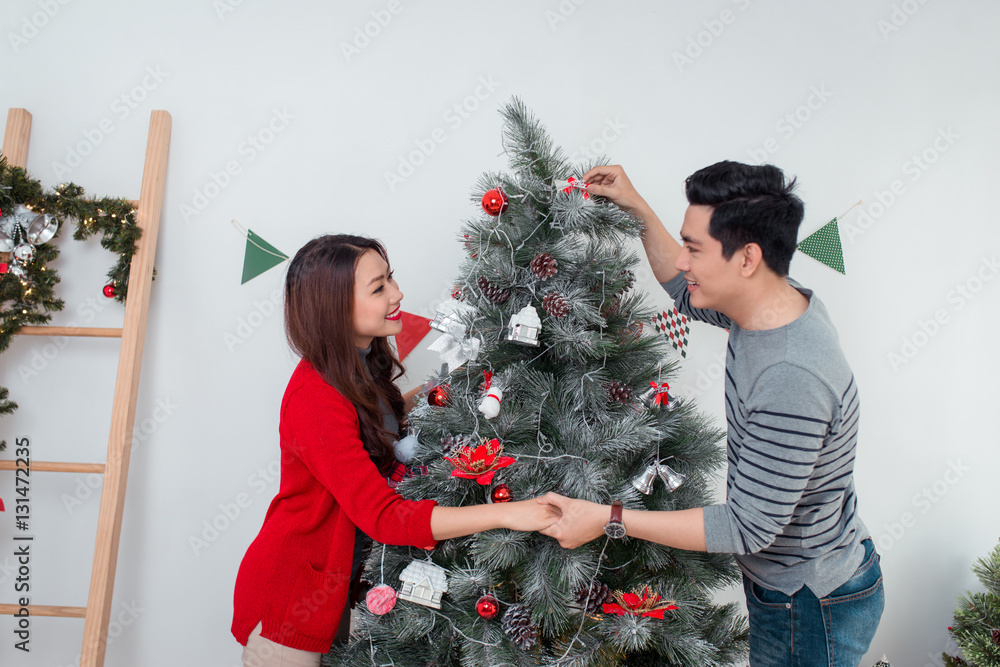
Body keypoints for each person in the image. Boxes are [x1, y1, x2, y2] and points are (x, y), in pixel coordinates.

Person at [539, 163, 884, 667]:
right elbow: (683, 288)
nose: (683, 261)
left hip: (810, 603)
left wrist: (609, 519)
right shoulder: (771, 307)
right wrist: (635, 205)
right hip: (796, 581)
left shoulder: (790, 375)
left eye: (694, 248)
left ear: (747, 258)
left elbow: (747, 529)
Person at [232, 234, 560, 667]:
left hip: (336, 588)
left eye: (392, 280)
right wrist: (506, 514)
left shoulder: (360, 360)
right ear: (335, 308)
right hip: (290, 601)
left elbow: (374, 424)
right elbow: (384, 517)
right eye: (379, 287)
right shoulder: (314, 398)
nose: (398, 294)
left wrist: (443, 390)